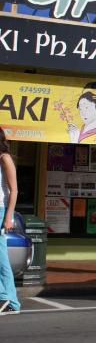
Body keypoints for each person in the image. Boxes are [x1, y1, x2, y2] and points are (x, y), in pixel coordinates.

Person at [0, 127, 20, 314]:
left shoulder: (4, 158)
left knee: (1, 257)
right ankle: (7, 297)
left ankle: (9, 299)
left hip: (1, 211)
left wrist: (8, 216)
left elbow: (13, 190)